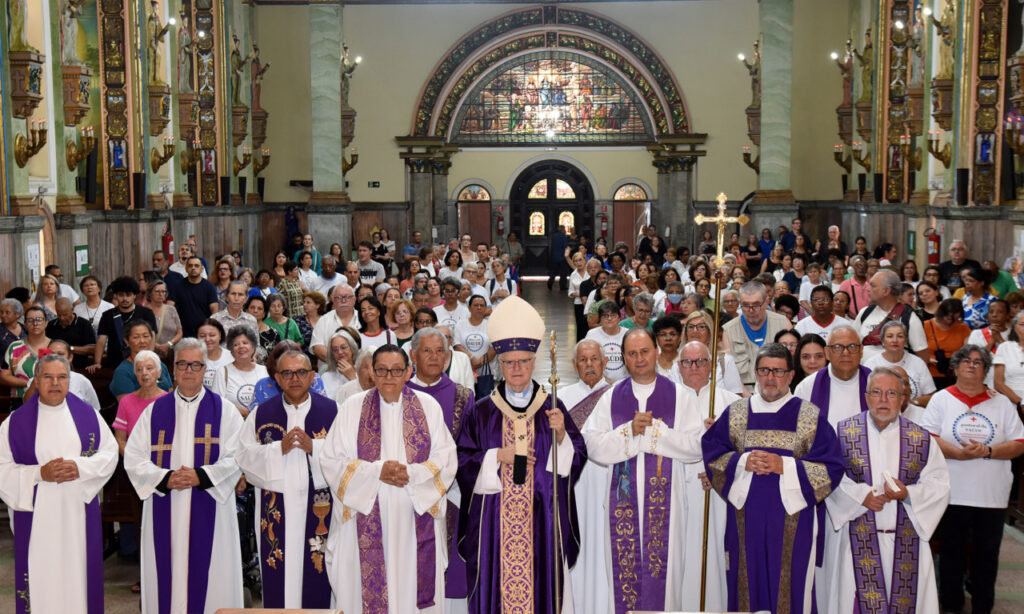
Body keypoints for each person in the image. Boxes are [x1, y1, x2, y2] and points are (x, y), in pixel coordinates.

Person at [456, 295, 586, 613]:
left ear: (533, 363)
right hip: (494, 526)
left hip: (543, 519)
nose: (517, 368)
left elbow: (578, 455)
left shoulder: (553, 408)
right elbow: (461, 460)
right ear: (499, 365)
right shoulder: (482, 411)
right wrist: (495, 456)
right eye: (510, 362)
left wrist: (561, 437)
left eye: (524, 361)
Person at [702, 342, 844, 613]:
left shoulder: (809, 415)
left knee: (790, 588)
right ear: (755, 373)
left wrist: (785, 466)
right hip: (745, 518)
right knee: (746, 583)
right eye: (765, 370)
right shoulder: (737, 412)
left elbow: (832, 467)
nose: (770, 378)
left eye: (778, 372)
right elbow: (713, 453)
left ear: (791, 376)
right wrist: (743, 461)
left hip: (794, 521)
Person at [319, 344, 457, 612]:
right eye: (382, 370)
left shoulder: (428, 406)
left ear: (408, 372)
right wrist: (377, 471)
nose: (389, 376)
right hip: (364, 515)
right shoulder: (352, 407)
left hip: (413, 516)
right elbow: (331, 461)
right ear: (371, 371)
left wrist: (410, 474)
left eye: (396, 370)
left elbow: (446, 458)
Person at [582, 329, 704, 613]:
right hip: (621, 505)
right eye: (632, 353)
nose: (639, 359)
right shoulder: (611, 397)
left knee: (666, 582)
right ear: (623, 358)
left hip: (668, 511)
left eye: (645, 351)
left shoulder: (680, 396)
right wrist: (628, 433)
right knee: (624, 582)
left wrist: (655, 434)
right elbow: (592, 444)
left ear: (657, 352)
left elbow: (697, 446)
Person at [124, 338, 244, 613]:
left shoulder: (224, 410)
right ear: (173, 368)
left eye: (195, 365)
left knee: (211, 574)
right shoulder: (154, 411)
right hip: (166, 502)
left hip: (211, 503)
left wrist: (201, 476)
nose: (189, 370)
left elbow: (237, 455)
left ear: (205, 369)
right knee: (167, 573)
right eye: (182, 364)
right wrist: (165, 479)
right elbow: (133, 457)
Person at [824, 367, 950, 613]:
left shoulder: (921, 439)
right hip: (856, 540)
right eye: (877, 392)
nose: (883, 400)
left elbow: (940, 484)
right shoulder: (843, 433)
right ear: (866, 396)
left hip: (906, 541)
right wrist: (862, 497)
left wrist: (908, 494)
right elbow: (829, 477)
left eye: (891, 393)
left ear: (903, 399)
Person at [0, 353, 117, 614]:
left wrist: (80, 467)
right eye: (48, 377)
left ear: (70, 379)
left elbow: (110, 454)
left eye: (62, 377)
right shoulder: (14, 424)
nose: (55, 383)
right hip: (37, 517)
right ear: (37, 379)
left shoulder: (89, 416)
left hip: (77, 513)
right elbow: (2, 469)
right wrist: (40, 474)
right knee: (42, 577)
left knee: (78, 576)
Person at [920, 345, 1024, 614]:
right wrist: (956, 453)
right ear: (954, 367)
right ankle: (952, 606)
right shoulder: (941, 399)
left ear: (986, 370)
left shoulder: (1001, 402)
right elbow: (926, 437)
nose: (971, 365)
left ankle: (982, 607)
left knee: (986, 558)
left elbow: (1019, 442)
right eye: (965, 360)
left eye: (979, 362)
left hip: (991, 496)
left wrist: (989, 451)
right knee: (951, 556)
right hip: (952, 492)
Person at [235, 350, 337, 609]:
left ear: (313, 377)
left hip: (319, 507)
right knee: (278, 572)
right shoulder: (260, 414)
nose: (295, 378)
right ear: (277, 378)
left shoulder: (333, 410)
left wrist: (314, 446)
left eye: (301, 372)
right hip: (276, 508)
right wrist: (275, 450)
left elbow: (347, 456)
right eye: (287, 373)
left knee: (318, 573)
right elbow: (244, 457)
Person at [405, 327, 476, 609]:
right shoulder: (398, 393)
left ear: (448, 357)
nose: (434, 357)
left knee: (452, 575)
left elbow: (471, 450)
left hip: (451, 498)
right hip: (406, 497)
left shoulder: (463, 397)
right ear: (412, 355)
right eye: (427, 351)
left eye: (440, 352)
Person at [675, 341, 740, 609]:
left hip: (717, 493)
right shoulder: (668, 399)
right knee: (679, 555)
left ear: (711, 366)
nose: (695, 367)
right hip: (677, 487)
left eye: (701, 361)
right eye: (688, 362)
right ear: (678, 367)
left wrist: (719, 468)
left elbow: (745, 448)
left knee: (712, 555)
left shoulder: (731, 403)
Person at [722, 281, 792, 388]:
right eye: (745, 305)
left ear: (766, 301)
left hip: (778, 389)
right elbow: (728, 372)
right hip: (743, 391)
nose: (751, 310)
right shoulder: (728, 330)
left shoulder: (784, 323)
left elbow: (792, 363)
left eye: (756, 304)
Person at [853, 270, 929, 362]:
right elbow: (852, 344)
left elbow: (923, 357)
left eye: (873, 286)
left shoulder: (908, 317)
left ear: (886, 291)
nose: (868, 289)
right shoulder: (865, 312)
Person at [863, 320, 937, 406]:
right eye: (890, 336)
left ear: (905, 341)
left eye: (900, 336)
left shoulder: (918, 363)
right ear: (882, 340)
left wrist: (909, 404)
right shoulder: (871, 364)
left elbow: (931, 396)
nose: (895, 340)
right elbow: (865, 396)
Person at [91, 276, 157, 370]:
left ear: (134, 295)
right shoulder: (108, 315)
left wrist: (149, 359)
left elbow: (152, 337)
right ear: (116, 296)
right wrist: (97, 362)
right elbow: (101, 340)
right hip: (115, 363)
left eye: (128, 295)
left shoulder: (146, 313)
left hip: (141, 361)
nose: (124, 299)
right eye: (121, 295)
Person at [683, 310, 745, 395]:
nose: (695, 330)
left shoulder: (725, 361)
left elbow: (736, 397)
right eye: (690, 327)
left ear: (709, 333)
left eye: (701, 327)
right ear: (685, 334)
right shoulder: (677, 364)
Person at [211, 326, 269, 418]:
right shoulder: (223, 372)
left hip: (260, 426)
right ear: (232, 351)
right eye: (236, 345)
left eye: (245, 343)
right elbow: (215, 404)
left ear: (253, 347)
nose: (241, 346)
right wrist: (236, 410)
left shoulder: (264, 371)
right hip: (232, 427)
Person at [109, 321, 172, 400]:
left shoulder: (161, 365)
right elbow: (128, 406)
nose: (142, 341)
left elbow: (171, 395)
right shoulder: (122, 371)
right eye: (136, 337)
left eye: (145, 336)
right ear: (126, 341)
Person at [1, 306, 51, 400]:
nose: (35, 323)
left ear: (46, 322)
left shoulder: (55, 346)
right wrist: (30, 384)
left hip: (50, 399)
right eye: (30, 320)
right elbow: (3, 376)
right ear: (25, 324)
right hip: (20, 399)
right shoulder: (14, 347)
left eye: (39, 319)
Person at [923, 298, 971, 389]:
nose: (950, 317)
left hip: (954, 373)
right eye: (947, 314)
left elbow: (968, 350)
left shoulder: (963, 327)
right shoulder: (926, 325)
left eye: (954, 314)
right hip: (931, 372)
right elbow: (917, 349)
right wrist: (928, 359)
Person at [454, 295, 496, 398]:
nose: (479, 308)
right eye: (476, 305)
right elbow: (457, 345)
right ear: (469, 308)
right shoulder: (460, 324)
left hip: (485, 374)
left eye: (482, 305)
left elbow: (494, 348)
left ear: (486, 308)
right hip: (465, 372)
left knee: (484, 407)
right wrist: (471, 358)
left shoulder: (491, 325)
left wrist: (479, 362)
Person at [310, 284, 360, 363]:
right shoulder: (323, 320)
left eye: (347, 297)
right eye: (339, 298)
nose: (343, 301)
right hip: (330, 370)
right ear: (333, 300)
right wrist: (340, 363)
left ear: (354, 299)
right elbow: (317, 348)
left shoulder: (363, 319)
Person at [45, 297, 96, 370]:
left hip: (79, 368)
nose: (62, 318)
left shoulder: (84, 324)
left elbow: (92, 348)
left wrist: (69, 348)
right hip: (54, 366)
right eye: (59, 315)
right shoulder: (52, 325)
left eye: (65, 315)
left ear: (72, 310)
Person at [174, 256, 220, 338]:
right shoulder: (177, 286)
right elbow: (170, 306)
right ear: (186, 268)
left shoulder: (209, 286)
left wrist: (211, 328)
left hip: (203, 332)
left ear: (202, 269)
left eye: (196, 266)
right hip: (182, 332)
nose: (193, 268)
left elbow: (214, 309)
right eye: (190, 266)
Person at [585, 300, 627, 382]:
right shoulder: (592, 335)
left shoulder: (628, 334)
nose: (609, 318)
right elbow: (587, 362)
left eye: (613, 315)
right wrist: (606, 381)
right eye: (605, 316)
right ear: (600, 319)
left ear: (619, 317)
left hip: (625, 383)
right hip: (599, 383)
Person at [993, 310, 1024, 407]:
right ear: (1015, 327)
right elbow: (998, 383)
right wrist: (1020, 402)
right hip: (1011, 400)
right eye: (1022, 324)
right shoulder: (1005, 348)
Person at [321, 328, 361, 398]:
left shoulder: (363, 372)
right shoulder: (326, 377)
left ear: (352, 348)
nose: (340, 352)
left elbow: (367, 399)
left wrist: (353, 378)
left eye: (343, 347)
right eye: (335, 350)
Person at [959, 265, 998, 330]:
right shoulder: (965, 297)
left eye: (971, 281)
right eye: (966, 281)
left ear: (981, 283)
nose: (967, 283)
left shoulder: (992, 300)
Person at [245, 296, 282, 364]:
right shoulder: (239, 331)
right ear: (246, 311)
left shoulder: (274, 334)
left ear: (264, 314)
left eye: (259, 309)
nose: (255, 311)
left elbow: (277, 359)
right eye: (252, 308)